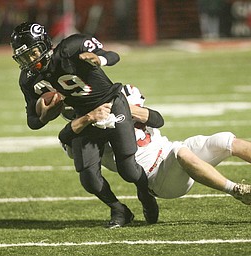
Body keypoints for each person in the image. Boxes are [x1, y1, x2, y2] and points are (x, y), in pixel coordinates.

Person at [59, 84, 251, 213]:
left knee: (224, 139)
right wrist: (89, 119)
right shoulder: (94, 130)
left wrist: (123, 109)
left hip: (176, 153)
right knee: (180, 152)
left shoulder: (132, 111)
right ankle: (237, 190)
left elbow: (156, 118)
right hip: (159, 179)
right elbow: (70, 141)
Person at [10, 22, 158, 229]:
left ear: (44, 44)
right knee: (89, 178)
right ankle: (118, 209)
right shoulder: (29, 79)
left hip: (112, 104)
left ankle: (145, 195)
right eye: (24, 56)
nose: (30, 60)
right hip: (85, 116)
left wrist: (100, 59)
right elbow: (33, 123)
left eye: (32, 53)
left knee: (128, 170)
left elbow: (113, 56)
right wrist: (46, 114)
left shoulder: (72, 47)